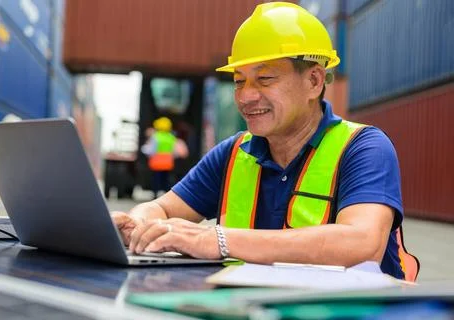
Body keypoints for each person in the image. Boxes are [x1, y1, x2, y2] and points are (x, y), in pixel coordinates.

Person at [113, 2, 418, 280]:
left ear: (313, 81)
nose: (245, 96)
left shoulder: (364, 148)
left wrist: (216, 240)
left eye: (265, 79)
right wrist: (138, 225)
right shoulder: (233, 153)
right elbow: (161, 209)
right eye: (239, 81)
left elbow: (362, 244)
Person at [141, 117, 188, 198]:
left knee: (156, 180)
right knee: (166, 180)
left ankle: (155, 195)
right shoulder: (171, 137)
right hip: (167, 163)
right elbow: (175, 151)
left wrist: (144, 150)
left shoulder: (155, 137)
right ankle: (166, 195)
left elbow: (151, 149)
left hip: (156, 163)